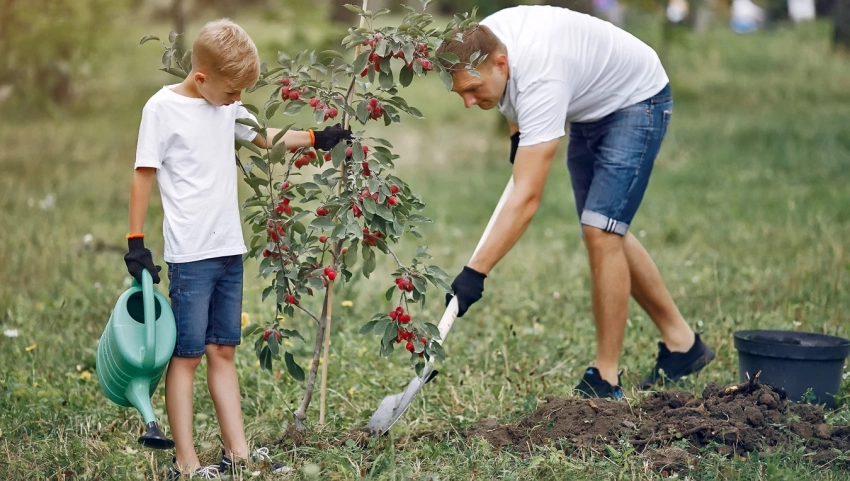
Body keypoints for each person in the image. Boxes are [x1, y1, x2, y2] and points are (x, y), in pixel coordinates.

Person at [437, 5, 714, 399]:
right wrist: (519, 135)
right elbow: (512, 100)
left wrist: (474, 273)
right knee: (604, 228)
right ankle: (683, 344)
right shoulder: (484, 42)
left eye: (472, 90)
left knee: (601, 230)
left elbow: (527, 197)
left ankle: (605, 377)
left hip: (637, 99)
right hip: (588, 102)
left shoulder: (541, 78)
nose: (467, 102)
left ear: (501, 63)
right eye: (460, 91)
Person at [123, 19, 350, 479]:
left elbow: (265, 138)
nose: (236, 101)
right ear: (202, 77)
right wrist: (135, 243)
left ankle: (238, 454)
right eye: (231, 92)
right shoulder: (161, 109)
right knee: (186, 357)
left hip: (228, 248)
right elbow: (143, 173)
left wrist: (315, 137)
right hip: (190, 256)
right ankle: (185, 464)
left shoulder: (226, 104)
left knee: (222, 351)